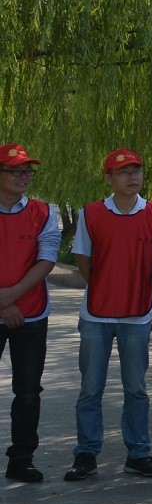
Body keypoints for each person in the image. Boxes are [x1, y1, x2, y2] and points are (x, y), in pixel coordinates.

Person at [67, 148, 152, 482]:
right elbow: (84, 261)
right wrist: (107, 287)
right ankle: (86, 454)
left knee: (136, 389)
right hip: (96, 315)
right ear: (108, 178)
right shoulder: (91, 213)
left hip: (137, 315)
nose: (132, 177)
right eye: (124, 172)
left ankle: (138, 453)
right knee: (90, 388)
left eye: (136, 171)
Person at [1, 144, 60, 483]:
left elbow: (47, 257)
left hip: (32, 314)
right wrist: (4, 303)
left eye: (28, 171)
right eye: (15, 171)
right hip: (10, 306)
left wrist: (12, 296)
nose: (24, 177)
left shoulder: (42, 211)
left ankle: (21, 459)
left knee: (27, 392)